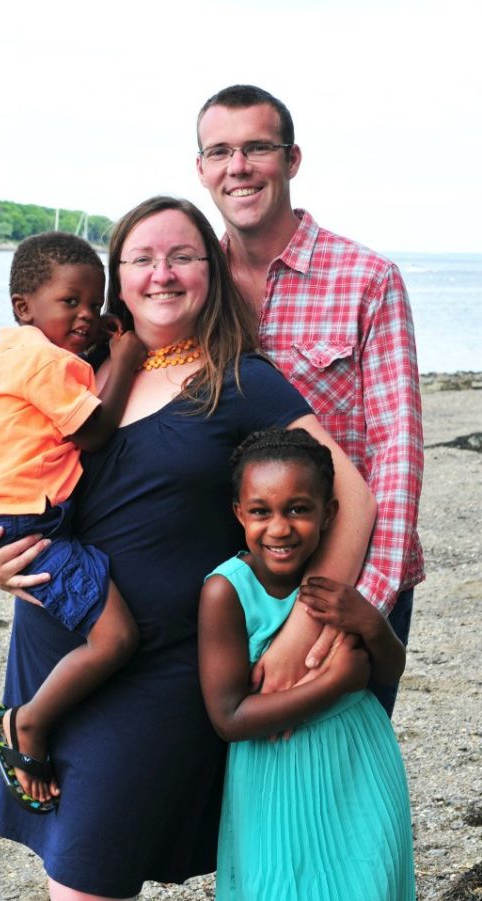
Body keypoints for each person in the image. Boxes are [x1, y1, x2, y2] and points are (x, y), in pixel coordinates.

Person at [0, 196, 376, 901]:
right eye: (142, 258)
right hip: (52, 651)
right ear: (116, 278)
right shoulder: (73, 371)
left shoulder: (243, 380)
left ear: (210, 273)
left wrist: (306, 625)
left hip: (161, 668)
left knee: (91, 878)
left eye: (182, 255)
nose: (163, 272)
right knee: (72, 871)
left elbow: (354, 499)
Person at [196, 84, 424, 716]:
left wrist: (354, 612)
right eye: (220, 151)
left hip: (346, 580)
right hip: (232, 586)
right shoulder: (188, 283)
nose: (237, 167)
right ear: (202, 169)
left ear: (292, 160)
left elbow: (397, 458)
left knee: (343, 780)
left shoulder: (367, 280)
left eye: (257, 148)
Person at [0, 231, 146, 811]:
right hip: (26, 525)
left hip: (5, 511)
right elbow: (94, 431)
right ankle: (27, 724)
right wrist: (126, 358)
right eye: (71, 302)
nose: (87, 316)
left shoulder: (17, 352)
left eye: (95, 304)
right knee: (116, 638)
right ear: (25, 307)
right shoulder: (42, 360)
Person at [199, 427, 416, 901]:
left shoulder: (341, 577)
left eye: (298, 509)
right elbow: (228, 718)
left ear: (329, 513)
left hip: (359, 759)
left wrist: (373, 625)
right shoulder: (227, 591)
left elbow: (389, 671)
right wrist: (336, 682)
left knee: (369, 882)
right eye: (261, 512)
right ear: (240, 513)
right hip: (275, 777)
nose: (279, 528)